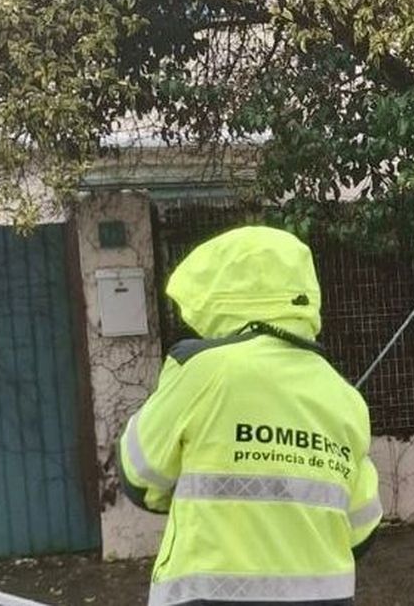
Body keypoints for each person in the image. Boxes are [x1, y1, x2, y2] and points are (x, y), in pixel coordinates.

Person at [118, 226, 381, 606]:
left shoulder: (200, 368)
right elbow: (362, 529)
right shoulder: (346, 398)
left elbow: (138, 474)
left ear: (218, 293)